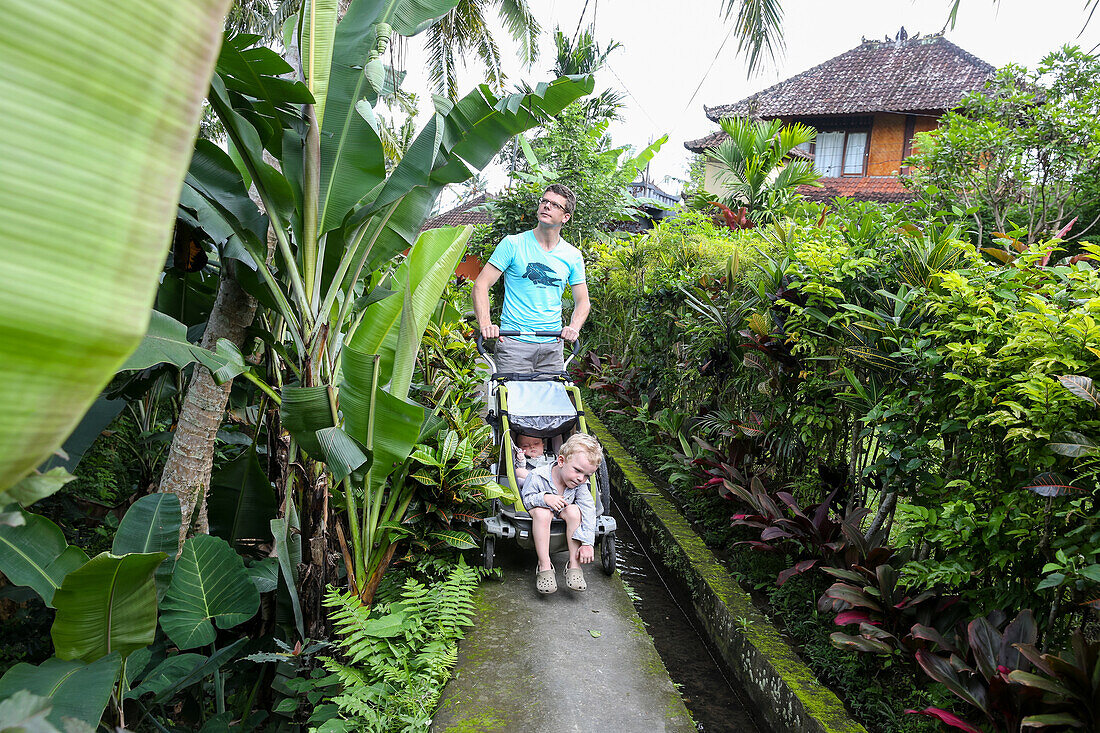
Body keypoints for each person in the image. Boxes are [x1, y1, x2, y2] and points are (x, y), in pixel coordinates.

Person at [473, 184, 590, 373]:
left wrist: (573, 328)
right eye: (544, 201)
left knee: (550, 401)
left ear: (565, 217)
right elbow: (481, 285)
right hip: (513, 345)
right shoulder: (513, 244)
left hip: (552, 347)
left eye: (555, 205)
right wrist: (485, 324)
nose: (546, 206)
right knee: (512, 401)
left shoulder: (572, 255)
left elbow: (583, 301)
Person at [520, 433, 602, 594]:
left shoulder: (579, 485)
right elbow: (527, 499)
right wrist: (545, 498)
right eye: (578, 471)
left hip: (562, 512)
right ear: (561, 461)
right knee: (543, 513)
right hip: (540, 512)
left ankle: (574, 564)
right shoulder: (537, 476)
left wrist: (587, 543)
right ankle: (544, 565)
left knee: (574, 511)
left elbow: (588, 510)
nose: (581, 479)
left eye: (587, 476)